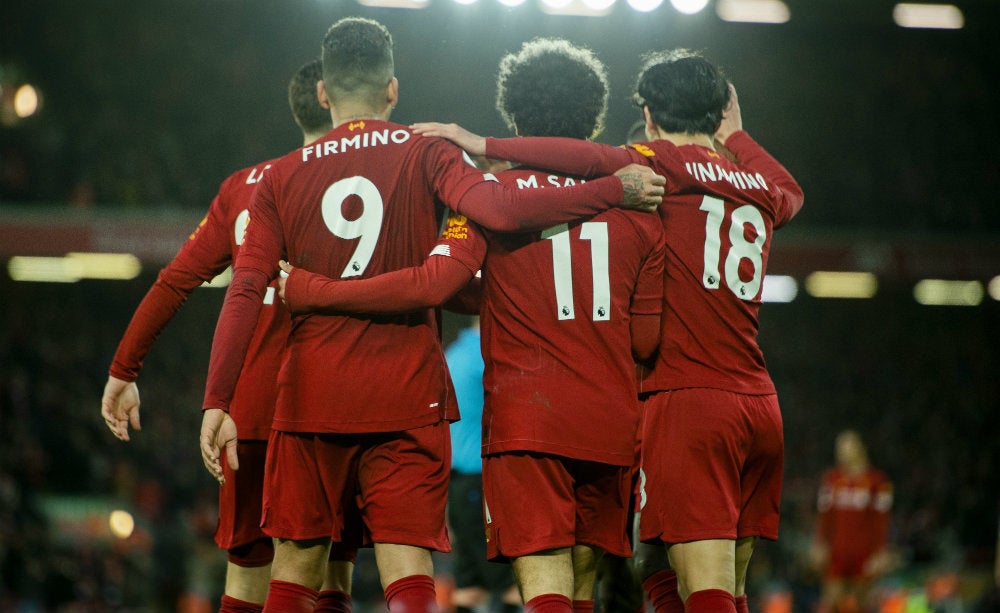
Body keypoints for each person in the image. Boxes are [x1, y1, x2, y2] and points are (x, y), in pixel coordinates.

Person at [196, 19, 665, 613]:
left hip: (340, 393)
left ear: (323, 94)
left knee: (299, 564)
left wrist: (220, 396)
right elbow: (643, 334)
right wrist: (612, 193)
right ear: (393, 90)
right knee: (434, 567)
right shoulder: (630, 194)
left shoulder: (281, 177)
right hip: (498, 404)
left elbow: (247, 290)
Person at [411, 47, 805, 613]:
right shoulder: (731, 193)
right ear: (721, 112)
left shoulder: (648, 169)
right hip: (743, 403)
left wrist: (483, 146)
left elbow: (573, 161)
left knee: (700, 590)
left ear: (646, 115)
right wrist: (737, 138)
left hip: (671, 402)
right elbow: (791, 192)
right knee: (686, 580)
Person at [100, 59, 356, 613]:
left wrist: (125, 369)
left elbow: (176, 280)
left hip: (249, 408)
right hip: (333, 402)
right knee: (332, 569)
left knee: (247, 572)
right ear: (340, 99)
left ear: (300, 107)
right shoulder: (367, 177)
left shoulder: (245, 185)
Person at [443, 319, 520, 613]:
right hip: (481, 480)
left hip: (460, 482)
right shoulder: (486, 359)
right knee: (509, 582)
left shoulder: (455, 352)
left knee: (469, 583)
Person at [811, 430, 894, 613]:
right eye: (839, 448)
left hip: (864, 553)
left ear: (859, 448)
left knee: (861, 605)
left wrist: (881, 552)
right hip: (837, 552)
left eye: (845, 447)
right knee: (830, 602)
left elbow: (882, 520)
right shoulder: (831, 479)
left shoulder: (878, 482)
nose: (840, 452)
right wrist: (819, 545)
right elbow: (824, 517)